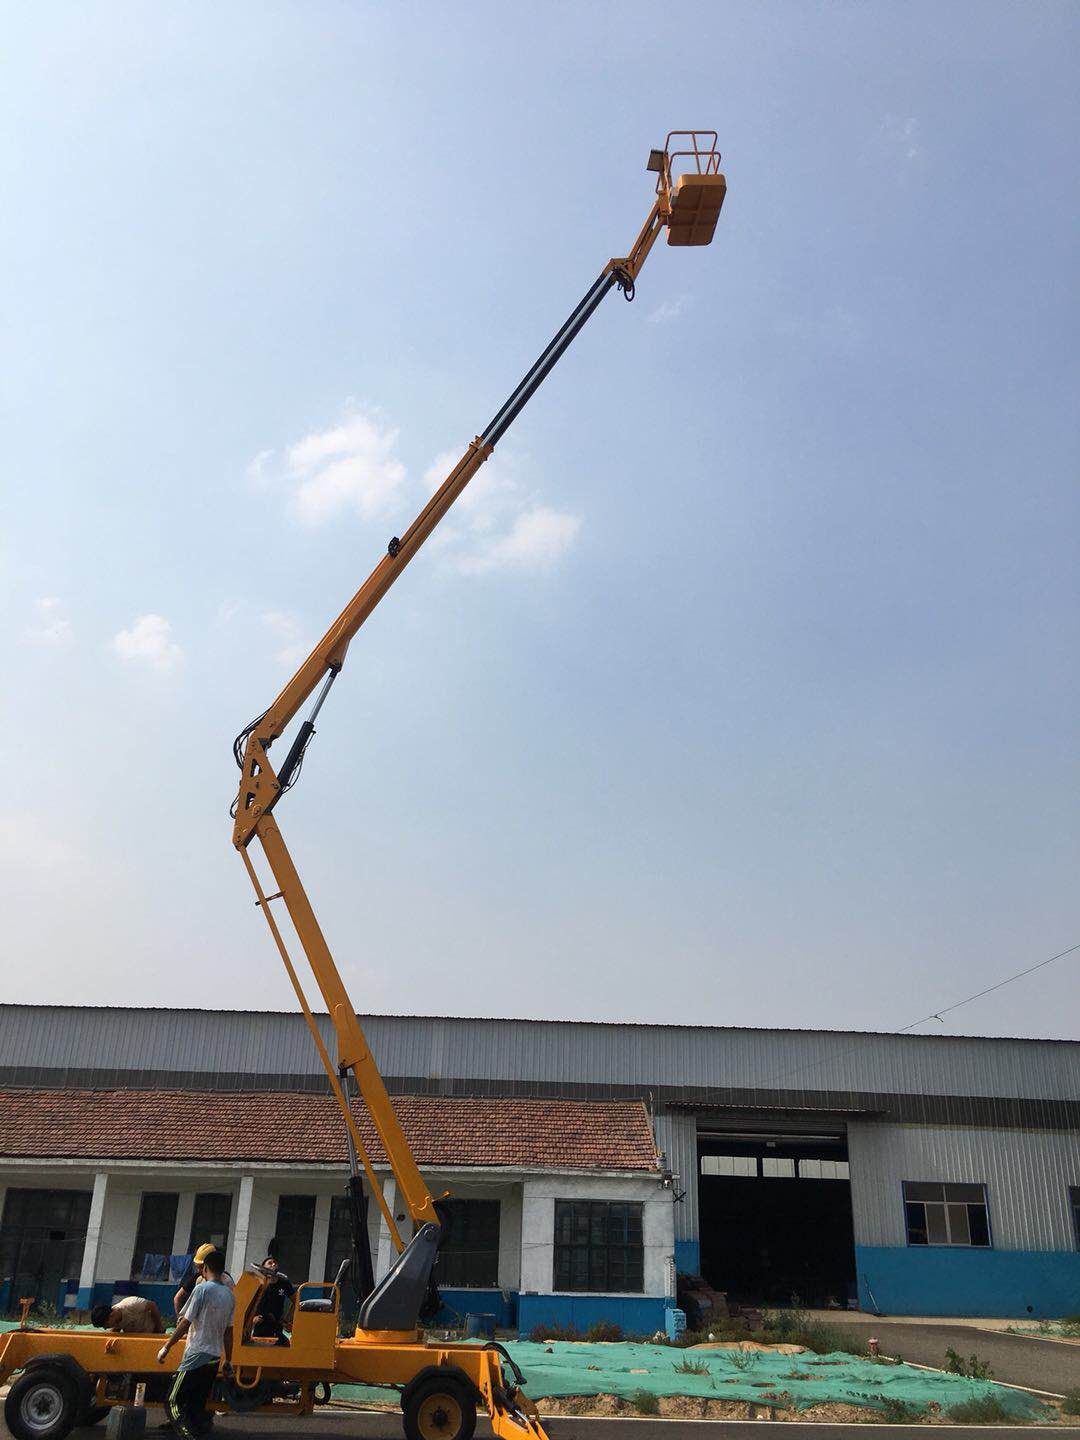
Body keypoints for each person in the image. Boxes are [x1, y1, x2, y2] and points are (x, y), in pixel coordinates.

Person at [157, 1247, 234, 1440]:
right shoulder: (229, 1295)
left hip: (196, 1354)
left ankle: (187, 1436)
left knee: (172, 1400)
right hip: (214, 1357)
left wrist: (167, 1346)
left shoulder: (201, 1289)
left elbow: (185, 1322)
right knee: (196, 1404)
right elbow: (229, 1332)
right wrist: (228, 1360)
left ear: (205, 1267)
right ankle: (197, 1432)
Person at [173, 1242, 235, 1317]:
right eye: (197, 1267)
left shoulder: (226, 1282)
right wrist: (180, 1319)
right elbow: (179, 1299)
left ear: (207, 1266)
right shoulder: (199, 1280)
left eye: (201, 1267)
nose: (199, 1270)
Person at [251, 1255, 294, 1340]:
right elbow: (250, 1304)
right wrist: (253, 1318)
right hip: (260, 1325)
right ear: (263, 1267)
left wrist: (288, 1319)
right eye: (270, 1263)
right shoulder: (258, 1283)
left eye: (275, 1263)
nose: (273, 1264)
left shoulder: (284, 1283)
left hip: (276, 1325)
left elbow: (296, 1301)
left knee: (284, 1344)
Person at [91, 1295, 166, 1333]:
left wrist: (159, 1327)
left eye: (107, 1325)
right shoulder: (115, 1322)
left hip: (153, 1331)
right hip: (138, 1338)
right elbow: (116, 1330)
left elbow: (152, 1305)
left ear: (111, 1315)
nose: (106, 1328)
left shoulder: (132, 1304)